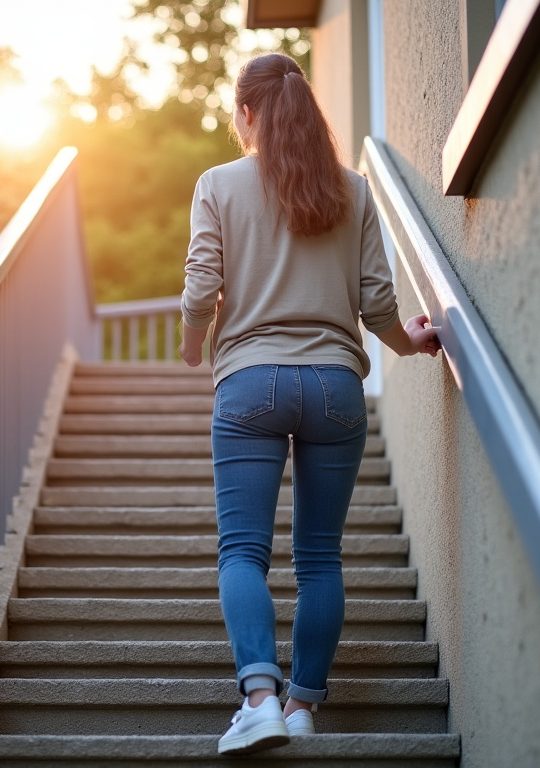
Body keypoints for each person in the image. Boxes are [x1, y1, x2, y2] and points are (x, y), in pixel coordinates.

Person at [179, 53, 440, 756]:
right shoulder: (352, 190)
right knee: (320, 557)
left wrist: (189, 343)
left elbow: (203, 285)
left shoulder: (218, 184)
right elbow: (378, 300)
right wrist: (410, 346)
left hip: (249, 384)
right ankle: (301, 709)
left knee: (243, 551)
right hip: (334, 387)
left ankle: (258, 698)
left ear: (246, 113)